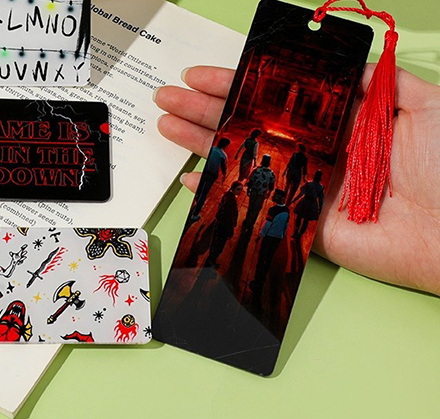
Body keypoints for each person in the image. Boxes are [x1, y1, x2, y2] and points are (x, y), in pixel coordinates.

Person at [154, 65, 440, 296]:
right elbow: (277, 178)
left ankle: (249, 235)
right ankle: (258, 238)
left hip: (270, 195)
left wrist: (255, 183)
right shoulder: (273, 171)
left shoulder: (262, 167)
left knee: (261, 216)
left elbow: (259, 172)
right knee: (272, 221)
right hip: (281, 195)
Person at [249, 189, 290, 305]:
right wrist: (282, 235)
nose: (273, 196)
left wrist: (260, 235)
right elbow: (286, 225)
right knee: (269, 258)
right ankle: (263, 278)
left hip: (269, 237)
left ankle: (257, 282)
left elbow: (267, 225)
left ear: (280, 198)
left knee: (262, 258)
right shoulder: (287, 210)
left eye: (275, 195)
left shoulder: (272, 210)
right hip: (277, 238)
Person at [189, 136, 230, 220]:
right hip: (211, 175)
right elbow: (224, 167)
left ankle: (193, 203)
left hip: (203, 171)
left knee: (198, 189)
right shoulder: (223, 155)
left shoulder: (211, 149)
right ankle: (195, 214)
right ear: (225, 146)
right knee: (204, 193)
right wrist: (224, 175)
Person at [206, 180, 242, 267]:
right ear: (233, 189)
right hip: (223, 226)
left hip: (220, 224)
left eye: (240, 189)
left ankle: (211, 259)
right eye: (238, 189)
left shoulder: (228, 196)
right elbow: (229, 217)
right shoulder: (231, 201)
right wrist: (230, 231)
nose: (240, 191)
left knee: (215, 243)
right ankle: (211, 261)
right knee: (218, 245)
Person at [293, 170, 324, 239]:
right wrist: (320, 207)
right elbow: (321, 199)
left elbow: (302, 193)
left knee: (300, 217)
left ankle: (296, 231)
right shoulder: (320, 187)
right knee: (306, 220)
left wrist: (296, 198)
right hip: (312, 204)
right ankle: (300, 234)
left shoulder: (309, 183)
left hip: (305, 201)